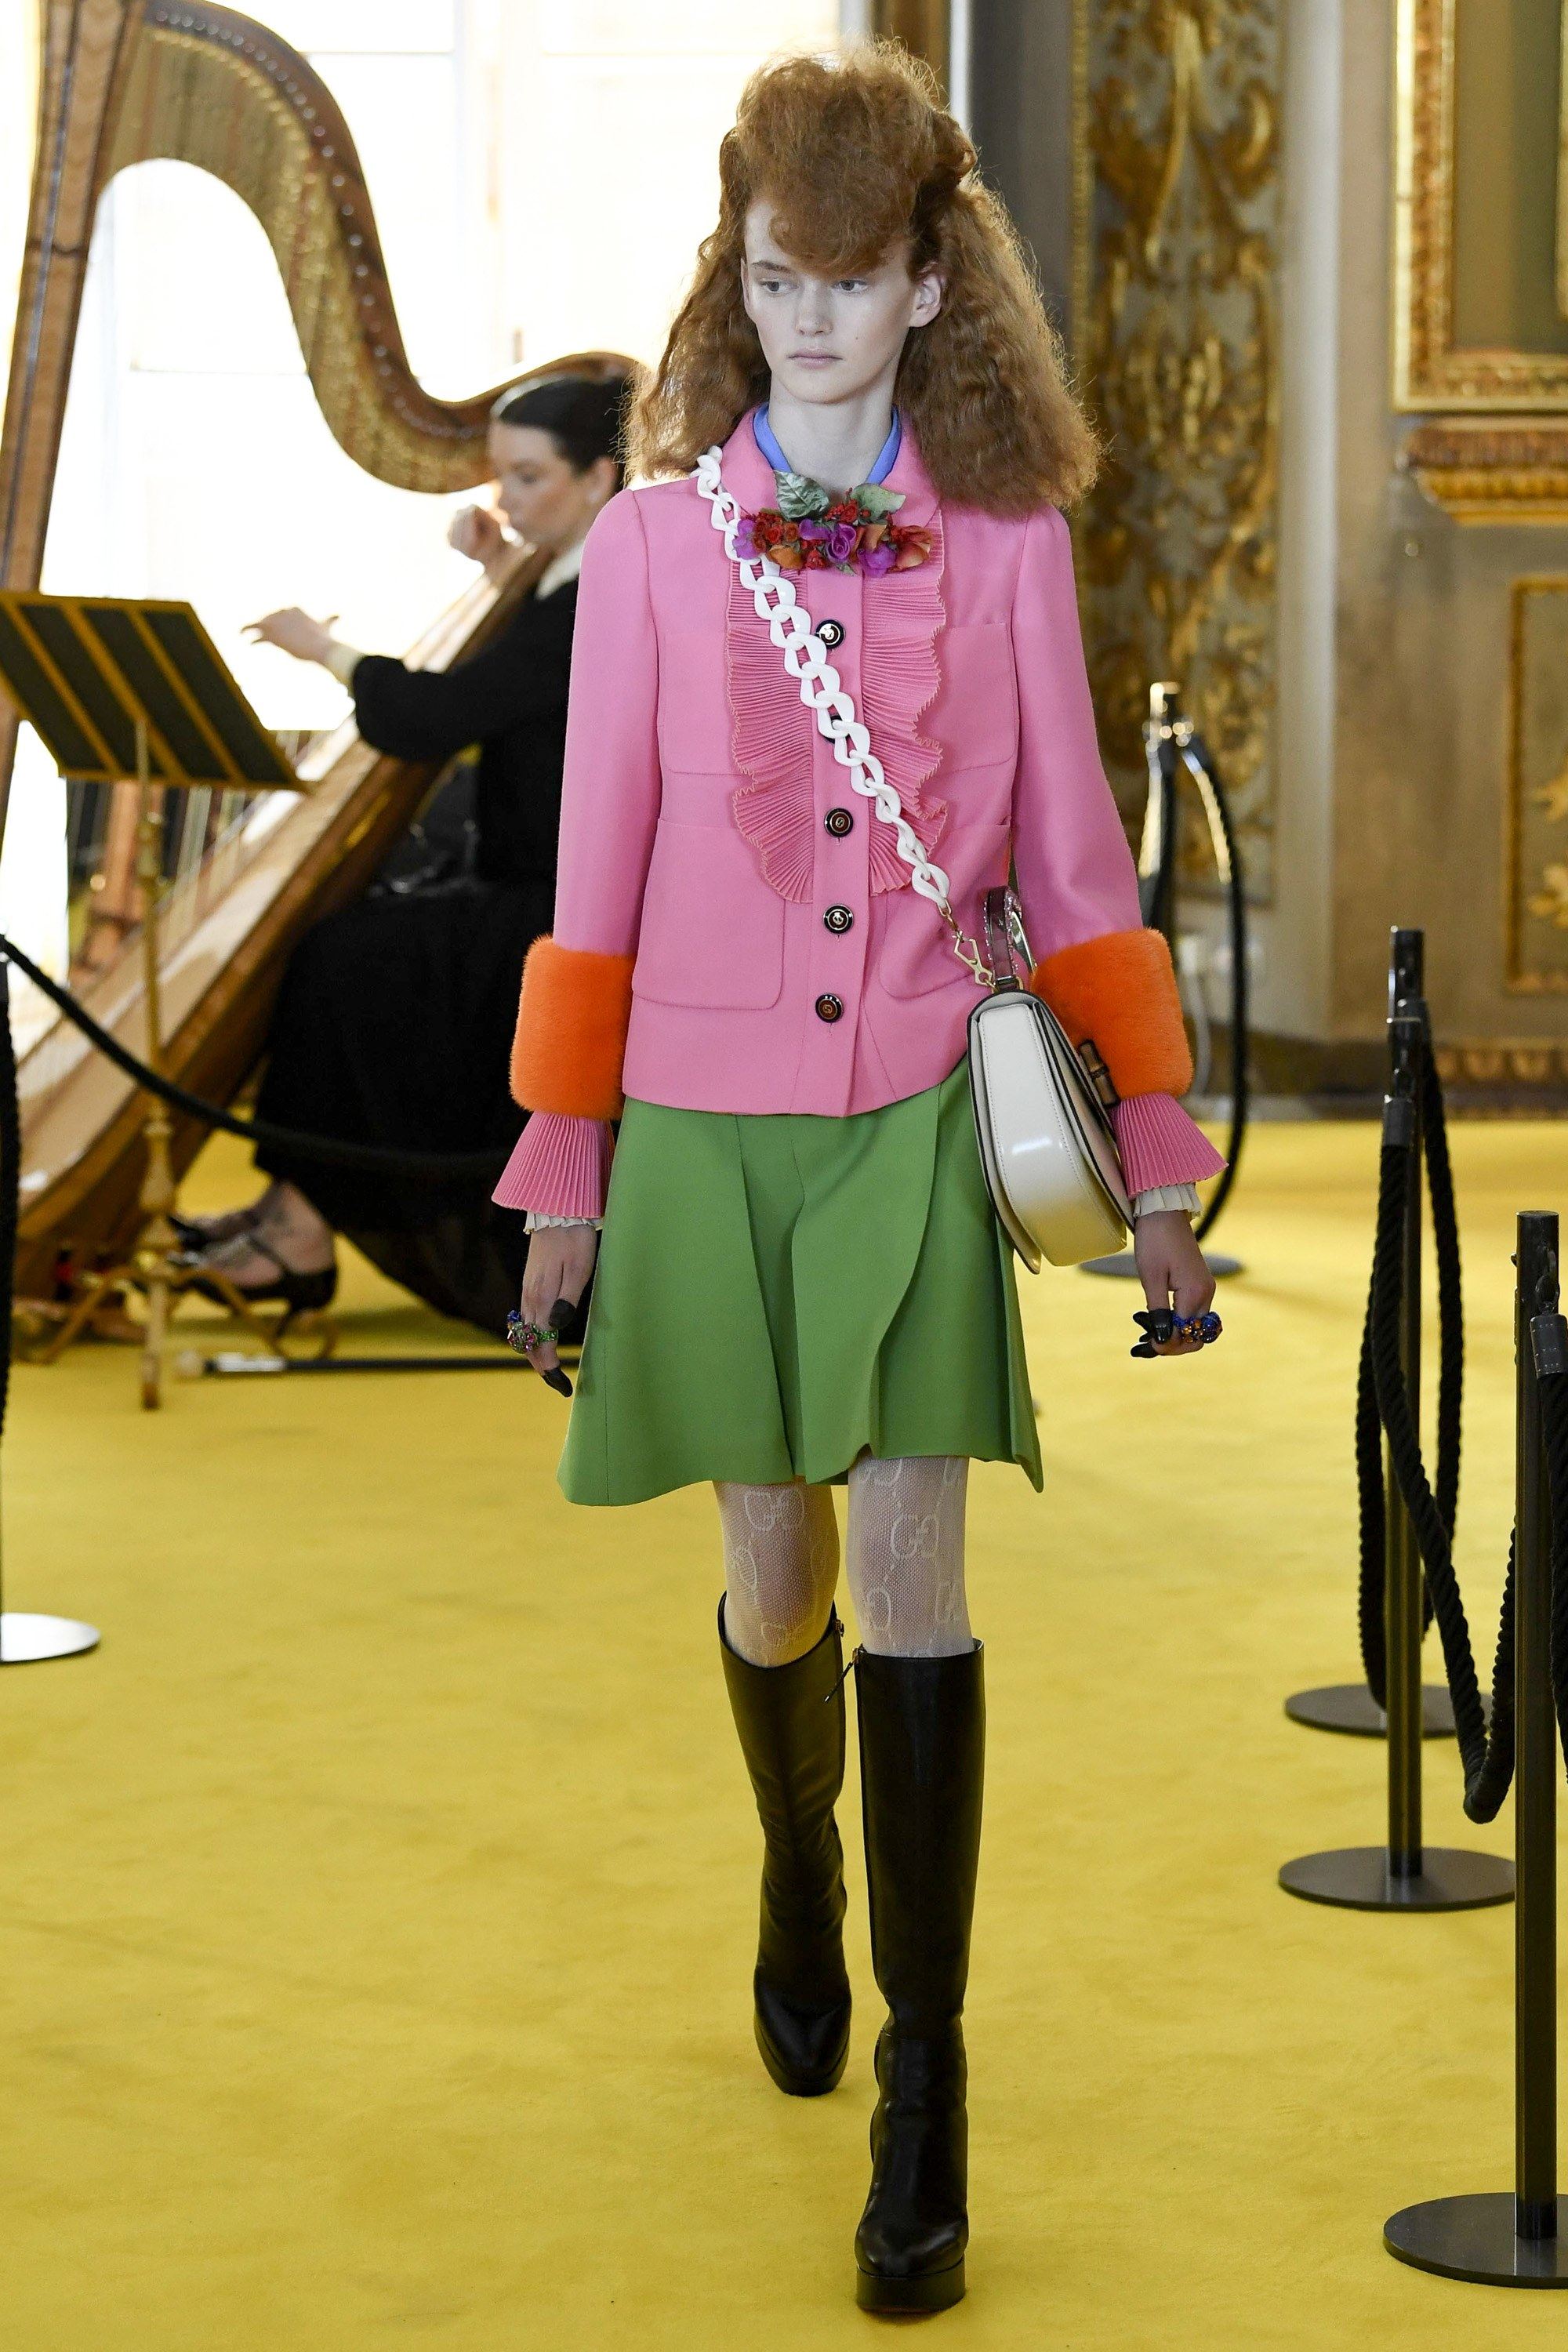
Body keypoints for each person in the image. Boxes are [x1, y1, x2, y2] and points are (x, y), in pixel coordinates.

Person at [495, 48, 1225, 2316]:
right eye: (771, 277)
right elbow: (590, 882)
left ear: (928, 282)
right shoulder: (647, 546)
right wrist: (563, 1175)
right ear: (743, 278)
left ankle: (928, 2083)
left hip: (918, 1099)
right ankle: (794, 1853)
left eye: (847, 278)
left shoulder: (1007, 545)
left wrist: (1161, 1164)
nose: (805, 317)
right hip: (706, 1122)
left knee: (913, 1564)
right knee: (772, 1567)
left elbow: (1077, 866)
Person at [180, 371, 633, 1333]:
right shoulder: (567, 575)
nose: (506, 500)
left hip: (563, 910)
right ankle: (292, 1211)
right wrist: (501, 566)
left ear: (599, 478)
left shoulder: (598, 592)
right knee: (347, 953)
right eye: (500, 478)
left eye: (528, 478)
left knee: (342, 960)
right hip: (527, 885)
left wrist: (325, 652)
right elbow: (518, 675)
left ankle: (300, 1225)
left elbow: (435, 716)